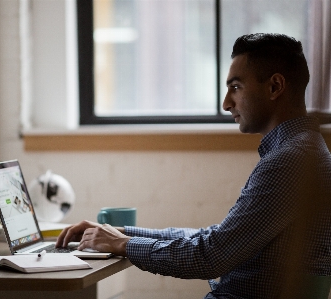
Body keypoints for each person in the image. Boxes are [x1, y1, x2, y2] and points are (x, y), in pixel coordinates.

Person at [56, 33, 331, 299]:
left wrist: (123, 245)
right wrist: (122, 234)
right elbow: (215, 239)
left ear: (274, 87)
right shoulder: (303, 151)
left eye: (236, 87)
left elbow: (211, 256)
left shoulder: (289, 161)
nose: (226, 103)